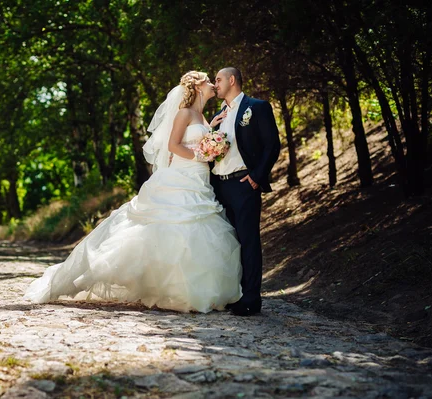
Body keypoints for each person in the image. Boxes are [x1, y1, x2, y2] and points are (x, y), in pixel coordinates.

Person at [24, 71, 242, 313]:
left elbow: (197, 138)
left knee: (196, 231)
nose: (213, 84)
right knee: (174, 229)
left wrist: (211, 132)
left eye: (215, 80)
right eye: (208, 80)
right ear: (199, 87)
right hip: (181, 176)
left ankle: (196, 290)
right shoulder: (184, 112)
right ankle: (171, 288)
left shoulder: (202, 116)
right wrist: (200, 155)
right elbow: (173, 145)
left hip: (199, 179)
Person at [210, 67, 281, 316]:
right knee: (228, 243)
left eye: (218, 80)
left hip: (243, 184)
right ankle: (234, 293)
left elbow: (272, 145)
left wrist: (256, 177)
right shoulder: (219, 114)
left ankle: (251, 298)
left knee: (248, 241)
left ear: (231, 80)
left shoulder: (257, 107)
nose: (214, 84)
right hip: (220, 185)